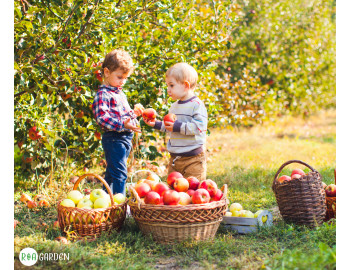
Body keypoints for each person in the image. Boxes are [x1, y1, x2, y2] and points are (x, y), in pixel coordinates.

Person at [143, 63, 208, 180]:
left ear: (185, 85)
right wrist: (156, 124)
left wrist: (178, 126)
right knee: (174, 192)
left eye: (171, 85)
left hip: (193, 158)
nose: (168, 89)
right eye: (167, 85)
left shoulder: (197, 105)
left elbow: (200, 127)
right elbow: (171, 127)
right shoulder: (174, 106)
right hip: (175, 159)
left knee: (194, 190)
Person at [92, 49, 142, 195]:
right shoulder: (103, 94)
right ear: (106, 72)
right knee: (120, 173)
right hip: (114, 139)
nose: (123, 81)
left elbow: (122, 116)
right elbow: (102, 118)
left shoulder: (118, 92)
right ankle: (120, 204)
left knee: (112, 171)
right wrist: (122, 125)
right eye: (120, 77)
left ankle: (106, 199)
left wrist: (134, 114)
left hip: (124, 139)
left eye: (125, 78)